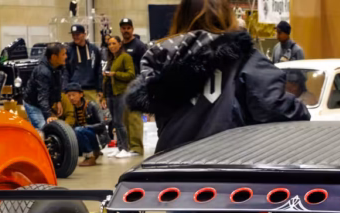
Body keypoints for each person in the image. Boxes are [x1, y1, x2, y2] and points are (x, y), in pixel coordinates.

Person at [126, 0, 309, 154]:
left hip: (172, 165)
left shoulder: (158, 58)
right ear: (226, 16)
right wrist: (301, 109)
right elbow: (274, 107)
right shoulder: (243, 56)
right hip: (226, 165)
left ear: (181, 17)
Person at [119, 17, 148, 157]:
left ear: (132, 29)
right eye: (123, 28)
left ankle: (137, 148)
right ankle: (128, 146)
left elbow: (144, 65)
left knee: (134, 117)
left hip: (135, 85)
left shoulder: (139, 45)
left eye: (128, 28)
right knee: (124, 118)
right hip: (121, 86)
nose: (126, 30)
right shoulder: (119, 46)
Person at [103, 35, 135, 158]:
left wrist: (115, 74)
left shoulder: (125, 57)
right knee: (115, 122)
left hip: (121, 93)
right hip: (111, 93)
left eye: (114, 43)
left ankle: (125, 148)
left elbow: (131, 75)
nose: (111, 46)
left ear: (120, 44)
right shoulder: (112, 59)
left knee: (120, 122)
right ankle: (120, 146)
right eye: (109, 44)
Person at [62, 82, 108, 166]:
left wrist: (85, 127)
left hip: (97, 136)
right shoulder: (70, 109)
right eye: (69, 96)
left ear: (81, 94)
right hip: (82, 135)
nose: (71, 98)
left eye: (73, 95)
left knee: (78, 130)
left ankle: (90, 156)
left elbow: (102, 124)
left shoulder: (92, 105)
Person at [24, 42, 66, 132]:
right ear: (54, 57)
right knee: (44, 130)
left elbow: (58, 85)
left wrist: (58, 100)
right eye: (63, 54)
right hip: (33, 105)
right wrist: (48, 116)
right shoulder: (42, 72)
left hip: (44, 103)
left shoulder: (57, 67)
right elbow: (42, 96)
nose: (66, 57)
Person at [66, 24, 102, 107]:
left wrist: (100, 89)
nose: (75, 37)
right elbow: (65, 71)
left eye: (78, 34)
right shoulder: (68, 50)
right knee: (76, 116)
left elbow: (98, 70)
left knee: (94, 115)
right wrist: (65, 89)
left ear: (84, 34)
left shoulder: (94, 49)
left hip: (91, 89)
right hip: (74, 90)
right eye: (73, 35)